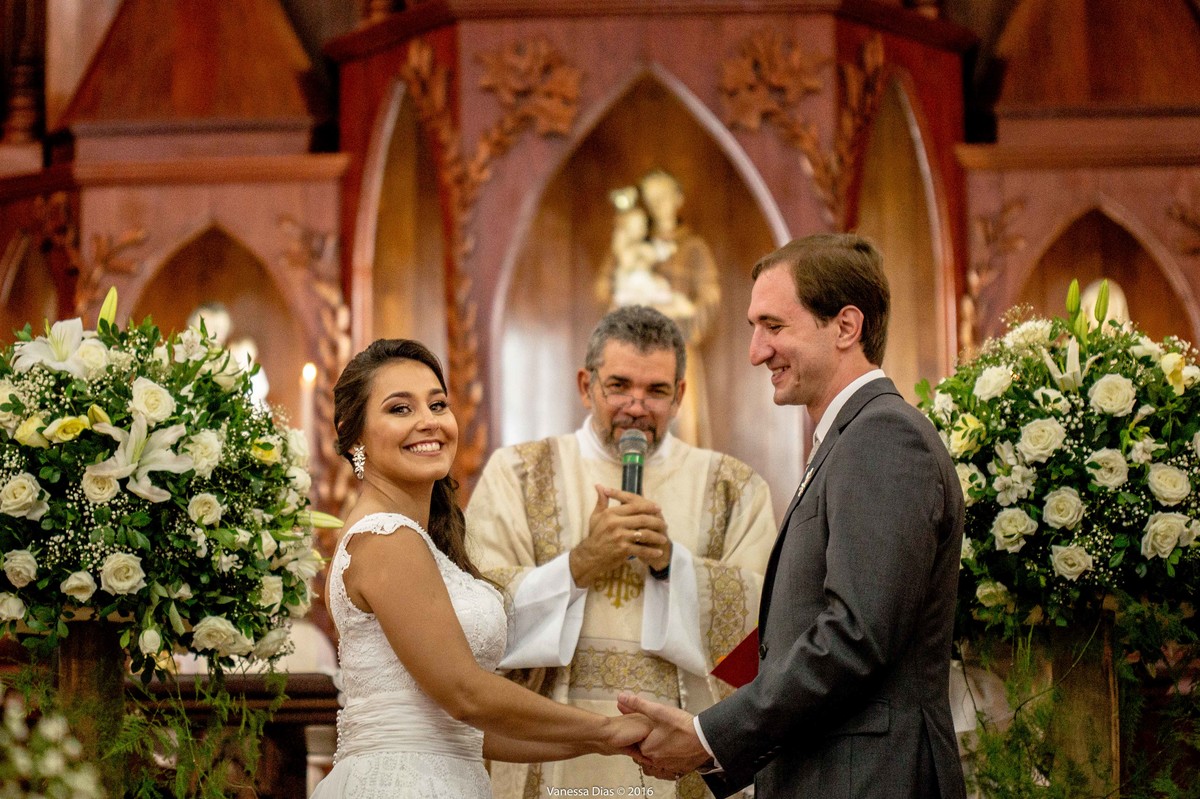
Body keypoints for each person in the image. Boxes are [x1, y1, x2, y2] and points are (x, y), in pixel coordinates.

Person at [618, 234, 967, 799]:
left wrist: (712, 735)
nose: (756, 351)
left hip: (871, 780)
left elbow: (854, 636)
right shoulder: (850, 439)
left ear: (846, 327)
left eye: (774, 327)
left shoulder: (883, 436)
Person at [310, 339, 650, 799]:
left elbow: (468, 731)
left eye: (437, 404)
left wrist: (603, 742)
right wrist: (606, 728)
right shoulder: (387, 538)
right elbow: (466, 694)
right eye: (400, 409)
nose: (428, 421)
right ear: (354, 434)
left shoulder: (412, 539)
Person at [465, 306, 777, 799]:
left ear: (679, 395)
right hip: (551, 751)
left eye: (655, 390)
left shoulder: (733, 487)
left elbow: (765, 630)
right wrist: (580, 564)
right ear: (585, 385)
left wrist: (674, 566)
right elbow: (475, 610)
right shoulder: (519, 474)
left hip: (675, 751)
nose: (636, 406)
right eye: (619, 386)